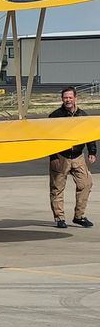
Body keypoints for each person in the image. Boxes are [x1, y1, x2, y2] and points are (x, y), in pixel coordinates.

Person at [48, 87, 96, 228]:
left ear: (75, 98)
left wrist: (92, 151)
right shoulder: (55, 116)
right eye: (65, 98)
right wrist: (53, 157)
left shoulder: (83, 115)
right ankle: (59, 218)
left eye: (70, 97)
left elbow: (90, 135)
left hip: (78, 156)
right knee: (57, 188)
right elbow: (48, 138)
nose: (68, 100)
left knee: (86, 184)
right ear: (62, 99)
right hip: (60, 156)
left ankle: (79, 216)